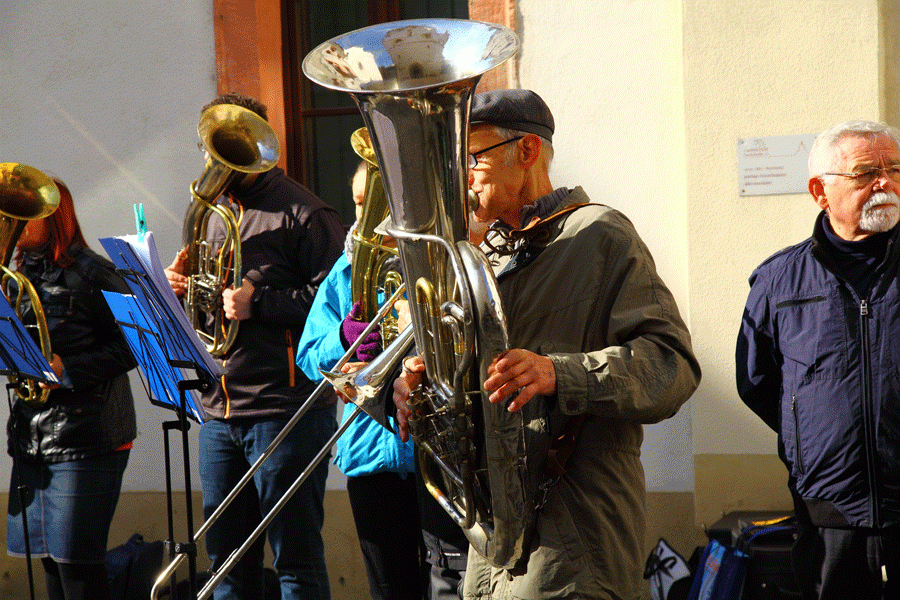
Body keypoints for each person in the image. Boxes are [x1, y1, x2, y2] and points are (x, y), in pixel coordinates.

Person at [392, 89, 701, 600]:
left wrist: (559, 373)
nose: (461, 177)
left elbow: (673, 366)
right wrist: (422, 387)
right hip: (491, 546)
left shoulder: (600, 234)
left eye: (472, 158)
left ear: (527, 151)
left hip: (575, 545)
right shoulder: (482, 256)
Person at [165, 93, 345, 600]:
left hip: (284, 411)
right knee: (225, 564)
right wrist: (180, 287)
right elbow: (208, 302)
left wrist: (260, 303)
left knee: (296, 562)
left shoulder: (306, 213)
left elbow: (340, 305)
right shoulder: (212, 213)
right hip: (219, 410)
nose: (213, 161)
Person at [736, 120, 900, 600]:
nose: (885, 182)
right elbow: (758, 383)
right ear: (819, 191)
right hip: (829, 520)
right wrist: (812, 433)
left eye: (894, 169)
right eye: (866, 172)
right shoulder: (778, 281)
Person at [297, 161, 427, 600]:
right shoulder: (344, 271)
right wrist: (343, 338)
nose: (364, 217)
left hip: (434, 453)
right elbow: (308, 357)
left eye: (376, 204)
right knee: (389, 589)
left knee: (450, 586)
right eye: (358, 203)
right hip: (371, 456)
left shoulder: (432, 262)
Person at [5, 177, 138, 600]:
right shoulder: (16, 275)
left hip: (88, 437)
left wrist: (69, 368)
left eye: (24, 214)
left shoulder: (93, 272)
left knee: (77, 566)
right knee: (50, 561)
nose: (12, 222)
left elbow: (135, 344)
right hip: (33, 435)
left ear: (53, 217)